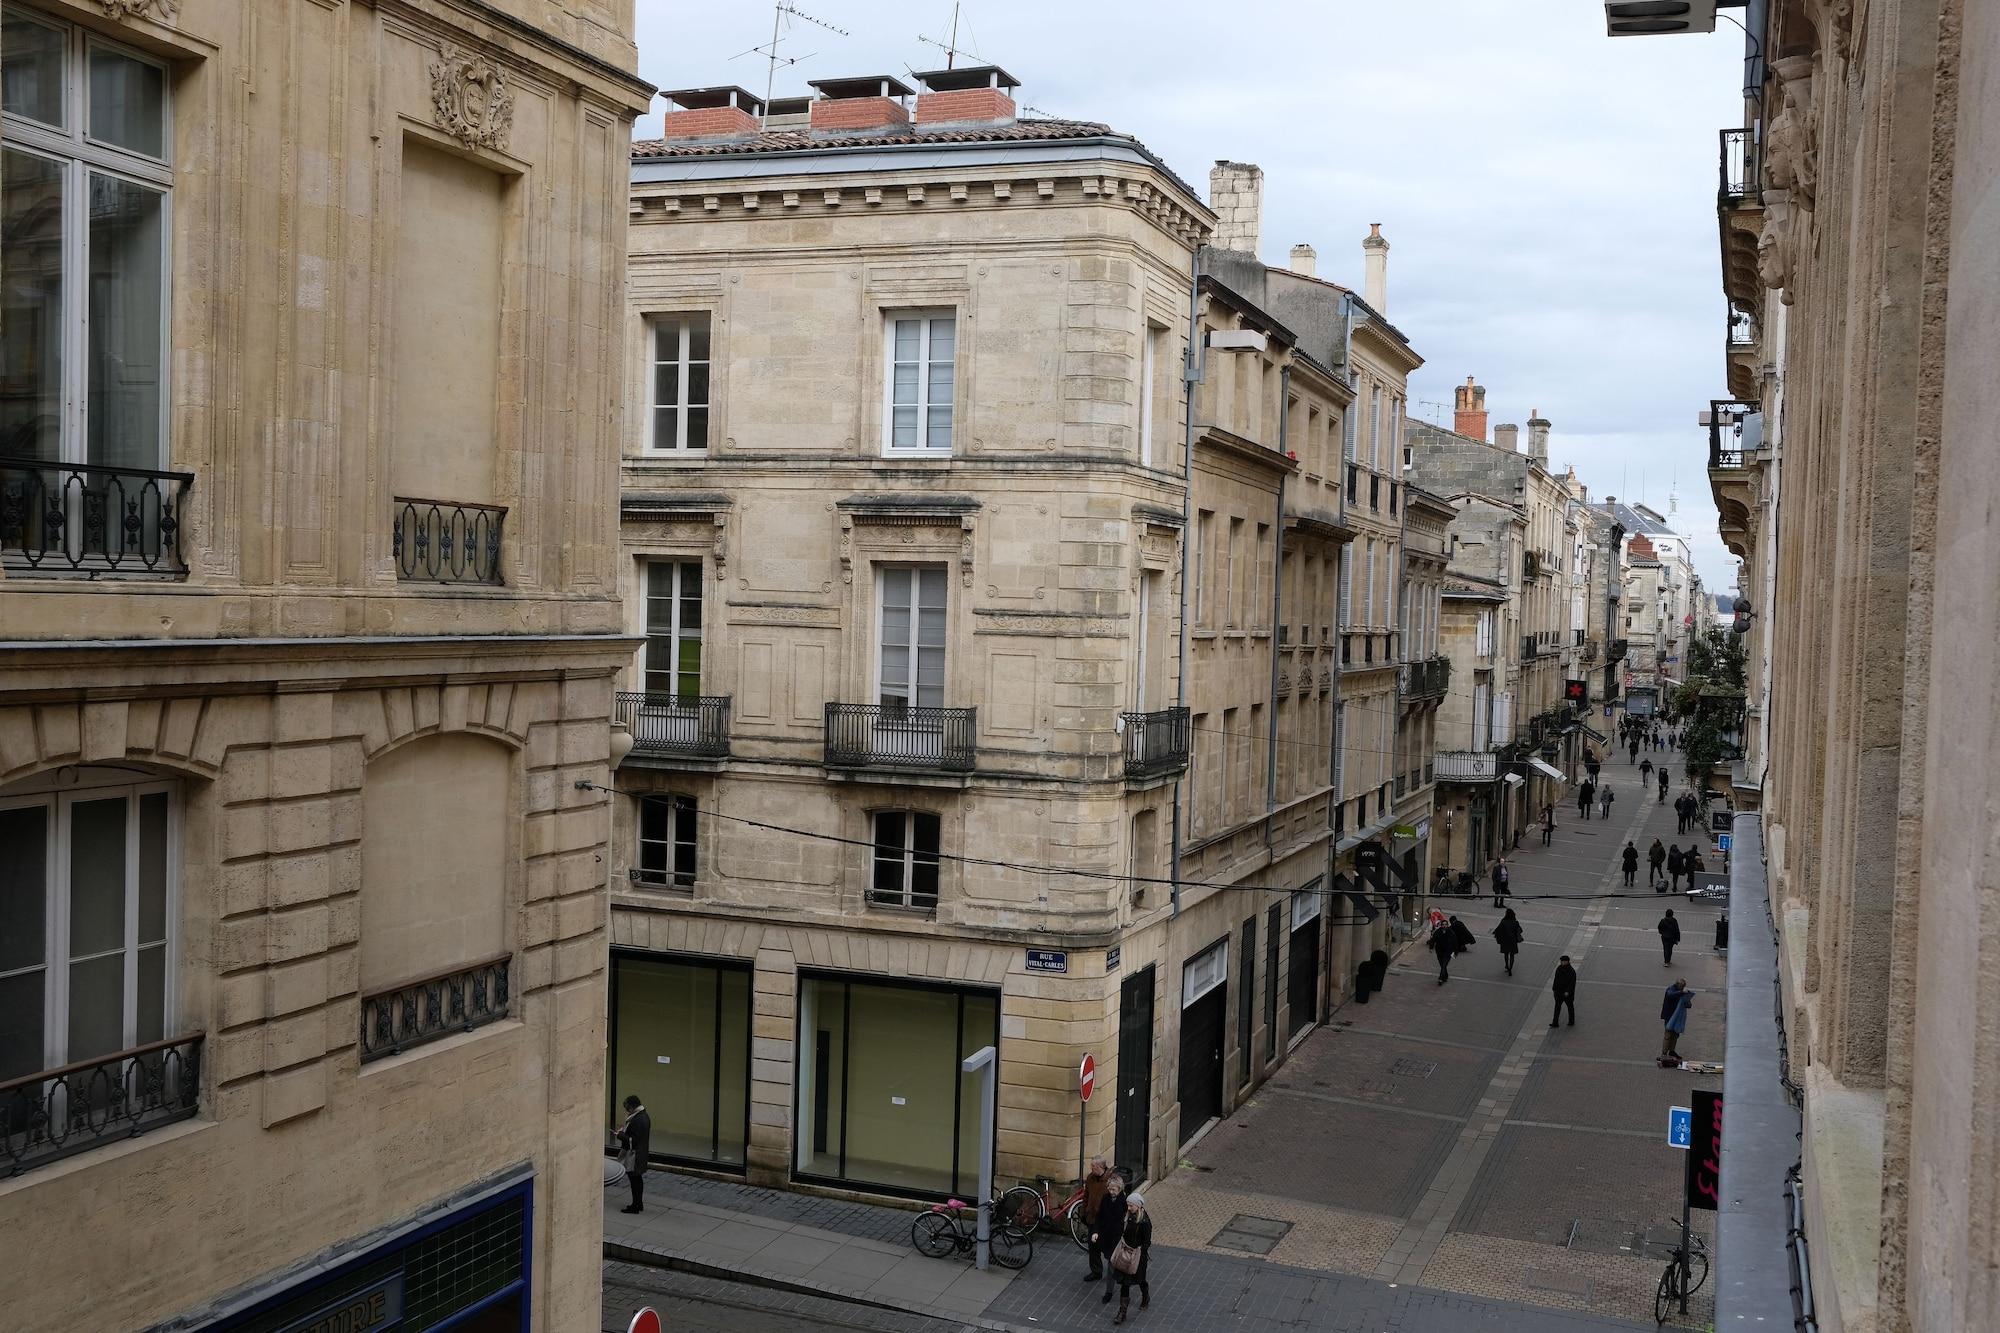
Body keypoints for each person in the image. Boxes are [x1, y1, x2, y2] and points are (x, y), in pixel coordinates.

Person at [1112, 1192, 1153, 1323]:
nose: (1129, 1208)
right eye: (1128, 1205)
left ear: (1138, 1206)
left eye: (1131, 1206)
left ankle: (1145, 1296)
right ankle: (1122, 1313)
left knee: (1140, 1280)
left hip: (1138, 1257)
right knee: (1125, 1283)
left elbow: (1147, 1242)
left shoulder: (1145, 1222)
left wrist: (1139, 1251)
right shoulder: (1128, 1217)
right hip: (1125, 1254)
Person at [1092, 1169, 1127, 1304]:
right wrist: (1096, 1231)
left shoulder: (1124, 1201)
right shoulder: (1106, 1198)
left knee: (1111, 1265)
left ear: (1119, 1189)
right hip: (1105, 1236)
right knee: (1109, 1260)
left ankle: (1109, 1291)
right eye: (1110, 1189)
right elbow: (1099, 1216)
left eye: (1114, 1189)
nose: (1111, 1191)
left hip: (1117, 1238)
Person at [616, 1094, 652, 1214]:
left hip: (635, 1155)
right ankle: (638, 1203)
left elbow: (633, 1140)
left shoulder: (638, 1119)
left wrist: (620, 1135)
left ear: (632, 1107)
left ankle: (635, 1206)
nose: (627, 1111)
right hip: (640, 1153)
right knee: (637, 1179)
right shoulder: (642, 1116)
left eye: (627, 1108)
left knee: (634, 1179)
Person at [1081, 1155, 1112, 1281]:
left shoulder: (1110, 1181)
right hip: (1093, 1219)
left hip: (1106, 1221)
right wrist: (1084, 1212)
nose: (1091, 1168)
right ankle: (1096, 1271)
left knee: (1109, 1248)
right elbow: (1086, 1196)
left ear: (1100, 1167)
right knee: (1092, 1246)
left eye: (1093, 1166)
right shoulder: (1090, 1178)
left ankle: (1115, 1271)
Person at [1662, 980, 1694, 1060]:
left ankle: (1672, 1051)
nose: (1683, 988)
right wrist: (1681, 992)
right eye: (1682, 986)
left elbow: (1688, 1005)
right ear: (1678, 985)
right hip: (1669, 1016)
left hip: (1677, 1016)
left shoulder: (1681, 991)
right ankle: (1664, 1053)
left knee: (1675, 1034)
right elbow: (1670, 995)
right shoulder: (1671, 989)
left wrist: (1687, 999)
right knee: (1668, 1035)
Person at [1493, 908, 1524, 977]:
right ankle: (1510, 969)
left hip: (1505, 940)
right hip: (1513, 941)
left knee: (1506, 954)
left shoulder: (1503, 921)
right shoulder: (1515, 922)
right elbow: (1520, 930)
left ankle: (1507, 965)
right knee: (1512, 955)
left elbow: (1498, 930)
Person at [1550, 955, 1578, 1027]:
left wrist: (1567, 992)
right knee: (1557, 1007)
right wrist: (1554, 989)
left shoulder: (1571, 971)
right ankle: (1555, 1022)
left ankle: (1571, 1021)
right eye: (1562, 961)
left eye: (1564, 961)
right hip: (1559, 992)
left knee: (1570, 1007)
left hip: (1567, 994)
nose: (1562, 962)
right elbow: (1556, 980)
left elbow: (1572, 984)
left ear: (1567, 962)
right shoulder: (1559, 969)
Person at [1430, 916, 1457, 984]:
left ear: (1447, 925)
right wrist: (1431, 947)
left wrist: (1455, 952)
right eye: (1443, 925)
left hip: (1448, 951)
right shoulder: (1438, 932)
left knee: (1444, 964)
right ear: (1441, 925)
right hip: (1439, 951)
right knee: (1442, 965)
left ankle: (1441, 978)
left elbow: (1455, 943)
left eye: (1445, 924)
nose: (1444, 926)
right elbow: (1433, 940)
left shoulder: (1451, 933)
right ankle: (1445, 975)